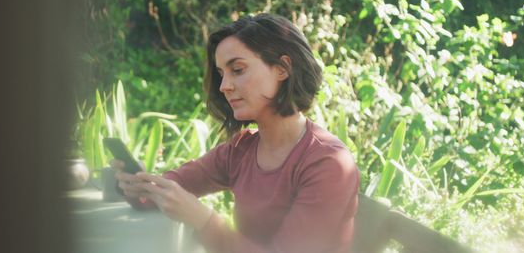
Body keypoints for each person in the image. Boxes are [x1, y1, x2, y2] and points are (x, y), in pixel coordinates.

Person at [112, 13, 360, 253]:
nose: (224, 86)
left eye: (238, 70)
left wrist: (204, 220)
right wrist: (138, 186)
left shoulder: (327, 163)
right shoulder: (241, 150)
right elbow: (164, 193)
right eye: (221, 74)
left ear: (283, 68)